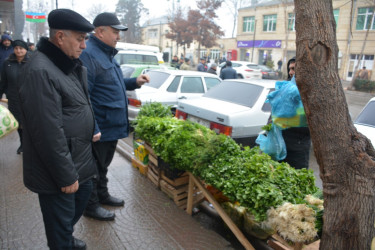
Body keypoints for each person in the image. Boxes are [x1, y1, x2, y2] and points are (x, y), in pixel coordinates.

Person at [17, 9, 97, 250]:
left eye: (86, 39)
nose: (84, 45)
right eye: (80, 38)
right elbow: (46, 131)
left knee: (77, 205)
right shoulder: (41, 70)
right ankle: (62, 242)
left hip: (79, 158)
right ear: (60, 37)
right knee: (59, 225)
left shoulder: (67, 64)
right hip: (58, 169)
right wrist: (65, 175)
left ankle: (66, 237)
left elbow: (79, 104)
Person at [80, 12, 150, 221]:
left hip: (111, 125)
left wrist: (135, 81)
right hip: (100, 126)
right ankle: (90, 206)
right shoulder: (89, 54)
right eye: (115, 31)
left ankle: (102, 195)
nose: (118, 36)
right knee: (94, 168)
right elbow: (85, 96)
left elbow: (113, 84)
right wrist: (93, 127)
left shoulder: (106, 54)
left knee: (103, 165)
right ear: (100, 31)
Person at [0, 40, 30, 154]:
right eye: (16, 48)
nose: (18, 50)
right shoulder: (7, 63)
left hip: (29, 99)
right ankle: (22, 144)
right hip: (13, 99)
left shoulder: (32, 62)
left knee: (29, 123)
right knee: (18, 123)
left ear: (26, 49)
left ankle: (30, 145)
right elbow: (3, 82)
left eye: (21, 48)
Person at [282, 57, 311, 169]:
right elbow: (274, 114)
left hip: (299, 148)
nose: (290, 72)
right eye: (289, 69)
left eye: (293, 69)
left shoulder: (310, 92)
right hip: (282, 146)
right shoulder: (285, 89)